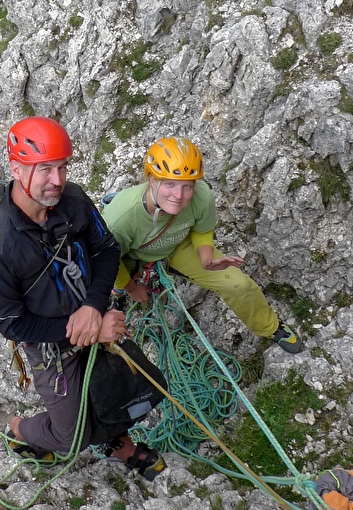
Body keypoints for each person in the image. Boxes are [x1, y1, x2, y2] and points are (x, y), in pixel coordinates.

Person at [0, 116, 166, 478]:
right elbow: (12, 323)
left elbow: (106, 250)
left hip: (96, 316)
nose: (57, 180)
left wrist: (93, 307)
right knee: (71, 437)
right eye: (44, 169)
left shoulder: (73, 200)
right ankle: (19, 429)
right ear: (16, 169)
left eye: (62, 167)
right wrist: (85, 327)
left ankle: (116, 443)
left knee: (118, 390)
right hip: (50, 343)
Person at [102, 136, 305, 353]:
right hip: (131, 254)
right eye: (169, 184)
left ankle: (270, 327)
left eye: (187, 186)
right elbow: (106, 260)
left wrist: (206, 257)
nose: (179, 196)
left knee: (238, 285)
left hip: (177, 243)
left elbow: (202, 228)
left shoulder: (202, 195)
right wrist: (131, 288)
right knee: (104, 279)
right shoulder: (120, 218)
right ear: (152, 181)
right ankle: (115, 293)